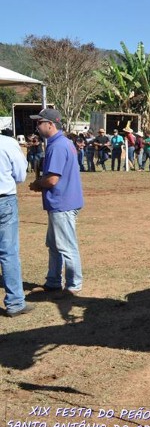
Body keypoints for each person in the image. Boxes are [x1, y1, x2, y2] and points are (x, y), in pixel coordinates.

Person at [28, 109, 84, 295]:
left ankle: (74, 284)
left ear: (50, 124)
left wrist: (37, 184)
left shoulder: (57, 146)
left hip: (63, 203)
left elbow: (52, 180)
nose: (37, 126)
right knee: (54, 245)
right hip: (62, 202)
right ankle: (53, 280)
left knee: (66, 246)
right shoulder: (62, 143)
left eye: (39, 122)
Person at [0, 133, 32, 316]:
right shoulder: (7, 143)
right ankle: (15, 302)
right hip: (4, 199)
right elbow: (20, 174)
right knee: (9, 252)